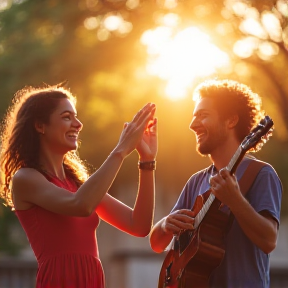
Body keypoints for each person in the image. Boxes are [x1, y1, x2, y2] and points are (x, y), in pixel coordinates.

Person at [0, 83, 158, 288]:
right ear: (40, 126)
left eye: (76, 116)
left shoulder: (78, 184)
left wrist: (147, 161)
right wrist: (120, 150)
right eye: (67, 117)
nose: (78, 124)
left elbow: (139, 225)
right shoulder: (26, 178)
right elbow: (80, 205)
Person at [149, 79, 282, 288]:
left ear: (231, 121)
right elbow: (157, 243)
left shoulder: (261, 174)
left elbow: (269, 241)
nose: (193, 125)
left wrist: (235, 200)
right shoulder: (196, 181)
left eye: (203, 115)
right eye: (194, 116)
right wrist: (166, 224)